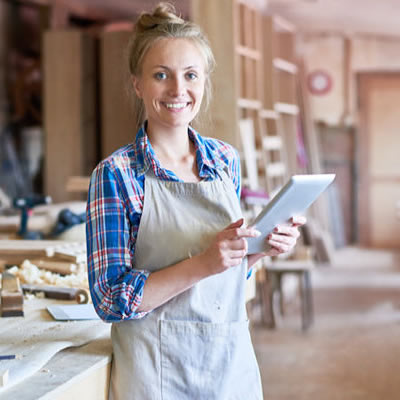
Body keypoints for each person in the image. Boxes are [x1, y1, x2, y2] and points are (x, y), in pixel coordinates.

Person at [86, 3, 306, 399]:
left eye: (190, 75)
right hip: (157, 376)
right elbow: (110, 299)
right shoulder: (117, 175)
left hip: (229, 367)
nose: (177, 90)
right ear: (137, 83)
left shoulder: (224, 160)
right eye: (160, 75)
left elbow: (225, 279)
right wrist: (204, 262)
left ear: (204, 81)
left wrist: (260, 250)